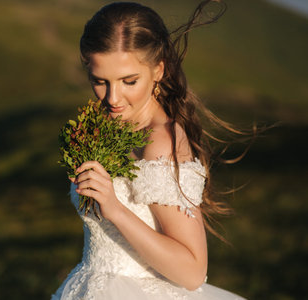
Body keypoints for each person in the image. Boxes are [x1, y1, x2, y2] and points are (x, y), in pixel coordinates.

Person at [52, 1, 247, 299]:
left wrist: (115, 209)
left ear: (158, 70)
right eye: (100, 81)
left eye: (129, 81)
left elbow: (192, 271)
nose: (113, 98)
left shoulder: (161, 142)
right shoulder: (110, 125)